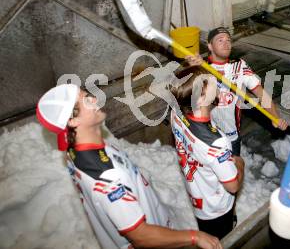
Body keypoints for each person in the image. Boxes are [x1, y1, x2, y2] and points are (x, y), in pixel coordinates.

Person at [36, 84, 222, 249]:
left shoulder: (75, 150)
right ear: (72, 121)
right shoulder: (107, 177)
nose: (94, 98)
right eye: (86, 99)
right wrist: (195, 236)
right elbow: (141, 236)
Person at [186, 27, 288, 156]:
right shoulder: (200, 66)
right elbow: (189, 98)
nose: (226, 43)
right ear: (210, 46)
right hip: (206, 134)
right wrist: (193, 68)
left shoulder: (239, 66)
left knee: (235, 171)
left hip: (231, 135)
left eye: (228, 40)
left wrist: (275, 117)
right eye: (220, 40)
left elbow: (262, 94)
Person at [169, 67, 245, 239]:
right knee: (222, 240)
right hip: (216, 209)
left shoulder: (176, 113)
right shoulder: (216, 143)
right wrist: (240, 163)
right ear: (201, 98)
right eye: (211, 82)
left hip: (198, 196)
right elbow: (233, 186)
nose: (215, 81)